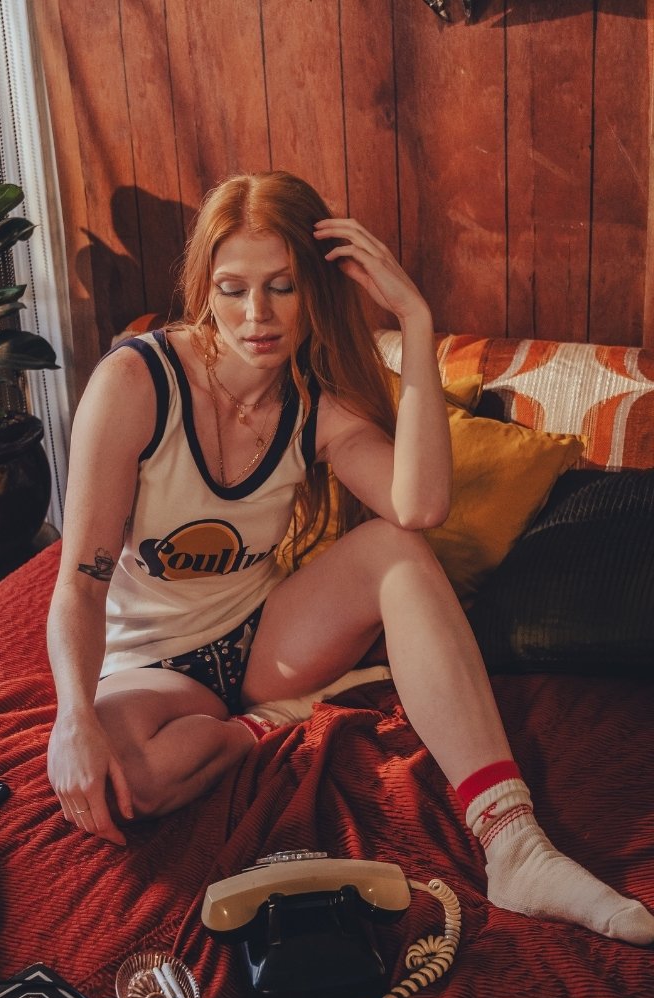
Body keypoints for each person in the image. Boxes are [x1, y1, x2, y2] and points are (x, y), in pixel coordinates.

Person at [47, 170, 654, 947]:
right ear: (205, 288)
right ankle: (258, 729)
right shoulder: (136, 382)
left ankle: (514, 844)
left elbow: (419, 507)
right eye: (233, 289)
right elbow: (79, 583)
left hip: (266, 640)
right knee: (121, 782)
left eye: (282, 287)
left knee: (396, 548)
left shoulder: (314, 404)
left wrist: (416, 320)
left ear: (317, 290)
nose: (257, 315)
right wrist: (73, 718)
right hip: (150, 662)